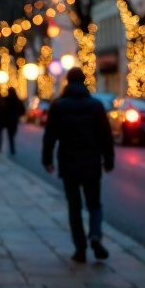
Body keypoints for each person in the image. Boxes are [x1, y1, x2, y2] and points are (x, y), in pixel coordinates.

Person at [42, 67, 115, 264]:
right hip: (91, 163)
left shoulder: (59, 106)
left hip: (68, 163)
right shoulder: (96, 106)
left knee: (74, 207)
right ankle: (95, 236)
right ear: (84, 82)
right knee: (94, 205)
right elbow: (105, 136)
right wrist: (109, 160)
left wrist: (47, 159)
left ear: (67, 82)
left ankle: (80, 249)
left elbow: (50, 135)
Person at [0, 88, 26, 154]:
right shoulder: (17, 101)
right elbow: (23, 111)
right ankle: (12, 149)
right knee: (11, 136)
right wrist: (16, 115)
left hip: (2, 120)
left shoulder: (4, 100)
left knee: (0, 135)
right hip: (12, 121)